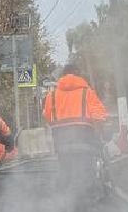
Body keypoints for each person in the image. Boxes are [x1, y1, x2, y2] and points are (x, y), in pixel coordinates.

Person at [42, 63, 109, 203]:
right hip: (86, 143)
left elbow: (47, 116)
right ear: (79, 75)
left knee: (65, 173)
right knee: (88, 175)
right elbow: (100, 115)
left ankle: (63, 203)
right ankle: (90, 203)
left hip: (62, 144)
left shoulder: (52, 95)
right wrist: (100, 129)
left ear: (62, 76)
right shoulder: (87, 92)